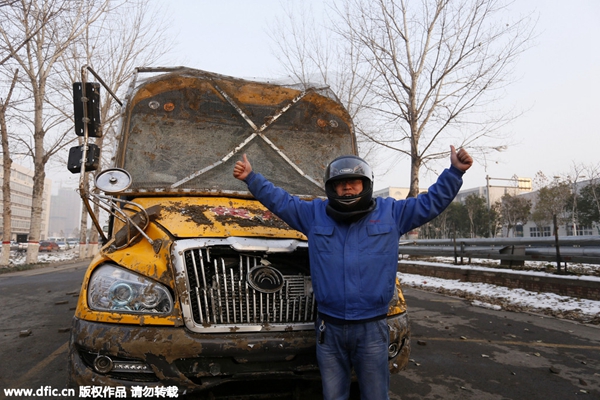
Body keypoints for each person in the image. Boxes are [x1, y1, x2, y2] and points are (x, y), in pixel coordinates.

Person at [233, 146, 473, 400]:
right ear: (332, 187)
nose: (348, 188)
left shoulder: (392, 214)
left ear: (366, 184)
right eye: (341, 183)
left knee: (375, 396)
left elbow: (430, 203)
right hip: (330, 329)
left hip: (372, 329)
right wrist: (252, 177)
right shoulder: (314, 215)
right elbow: (280, 200)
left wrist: (455, 172)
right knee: (334, 396)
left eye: (354, 182)